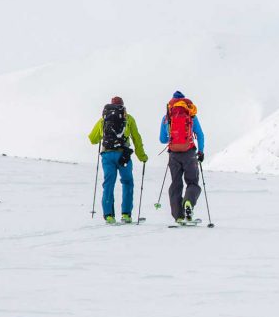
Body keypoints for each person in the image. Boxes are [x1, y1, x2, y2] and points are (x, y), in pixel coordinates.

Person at [88, 96, 148, 224]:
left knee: (108, 184)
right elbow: (137, 138)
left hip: (107, 155)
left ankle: (109, 216)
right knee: (127, 182)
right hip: (123, 156)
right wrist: (142, 156)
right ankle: (126, 214)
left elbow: (92, 139)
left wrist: (102, 136)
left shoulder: (103, 120)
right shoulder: (128, 118)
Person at [159, 90, 206, 223]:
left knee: (176, 184)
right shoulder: (191, 115)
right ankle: (188, 202)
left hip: (173, 154)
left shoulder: (167, 117)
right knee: (192, 182)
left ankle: (178, 216)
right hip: (189, 153)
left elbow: (162, 139)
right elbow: (200, 134)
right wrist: (201, 151)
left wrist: (172, 137)